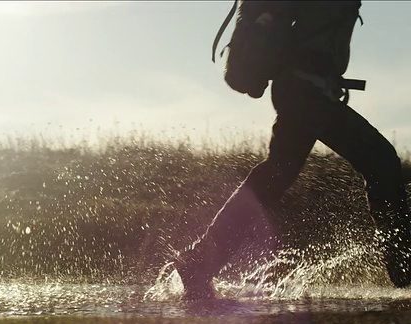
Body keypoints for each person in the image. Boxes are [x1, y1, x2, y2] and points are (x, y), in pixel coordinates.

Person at [175, 0, 411, 299]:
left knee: (278, 173)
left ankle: (199, 261)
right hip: (304, 92)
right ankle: (405, 272)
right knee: (381, 162)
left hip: (309, 91)